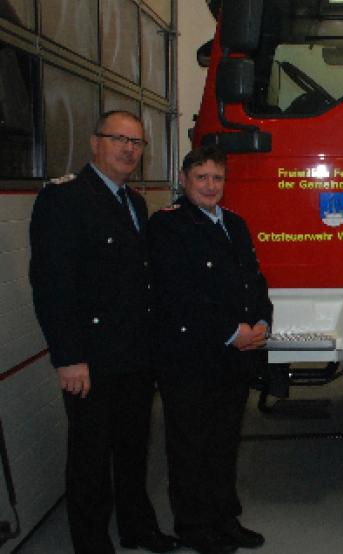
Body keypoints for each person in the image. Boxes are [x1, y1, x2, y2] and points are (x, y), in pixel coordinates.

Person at [28, 110, 178, 554]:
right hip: (90, 359)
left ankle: (137, 529)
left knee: (133, 451)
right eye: (119, 139)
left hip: (134, 355)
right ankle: (92, 544)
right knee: (91, 460)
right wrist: (68, 357)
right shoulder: (65, 199)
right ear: (95, 144)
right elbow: (52, 284)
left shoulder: (133, 203)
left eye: (136, 142)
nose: (129, 149)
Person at [147, 146, 272, 554]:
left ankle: (224, 518)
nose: (210, 185)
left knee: (223, 444)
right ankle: (193, 526)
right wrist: (229, 331)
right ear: (184, 180)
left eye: (217, 178)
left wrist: (261, 323)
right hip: (189, 357)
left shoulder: (234, 224)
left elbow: (254, 281)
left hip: (232, 358)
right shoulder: (168, 226)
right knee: (190, 446)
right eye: (201, 177)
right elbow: (177, 293)